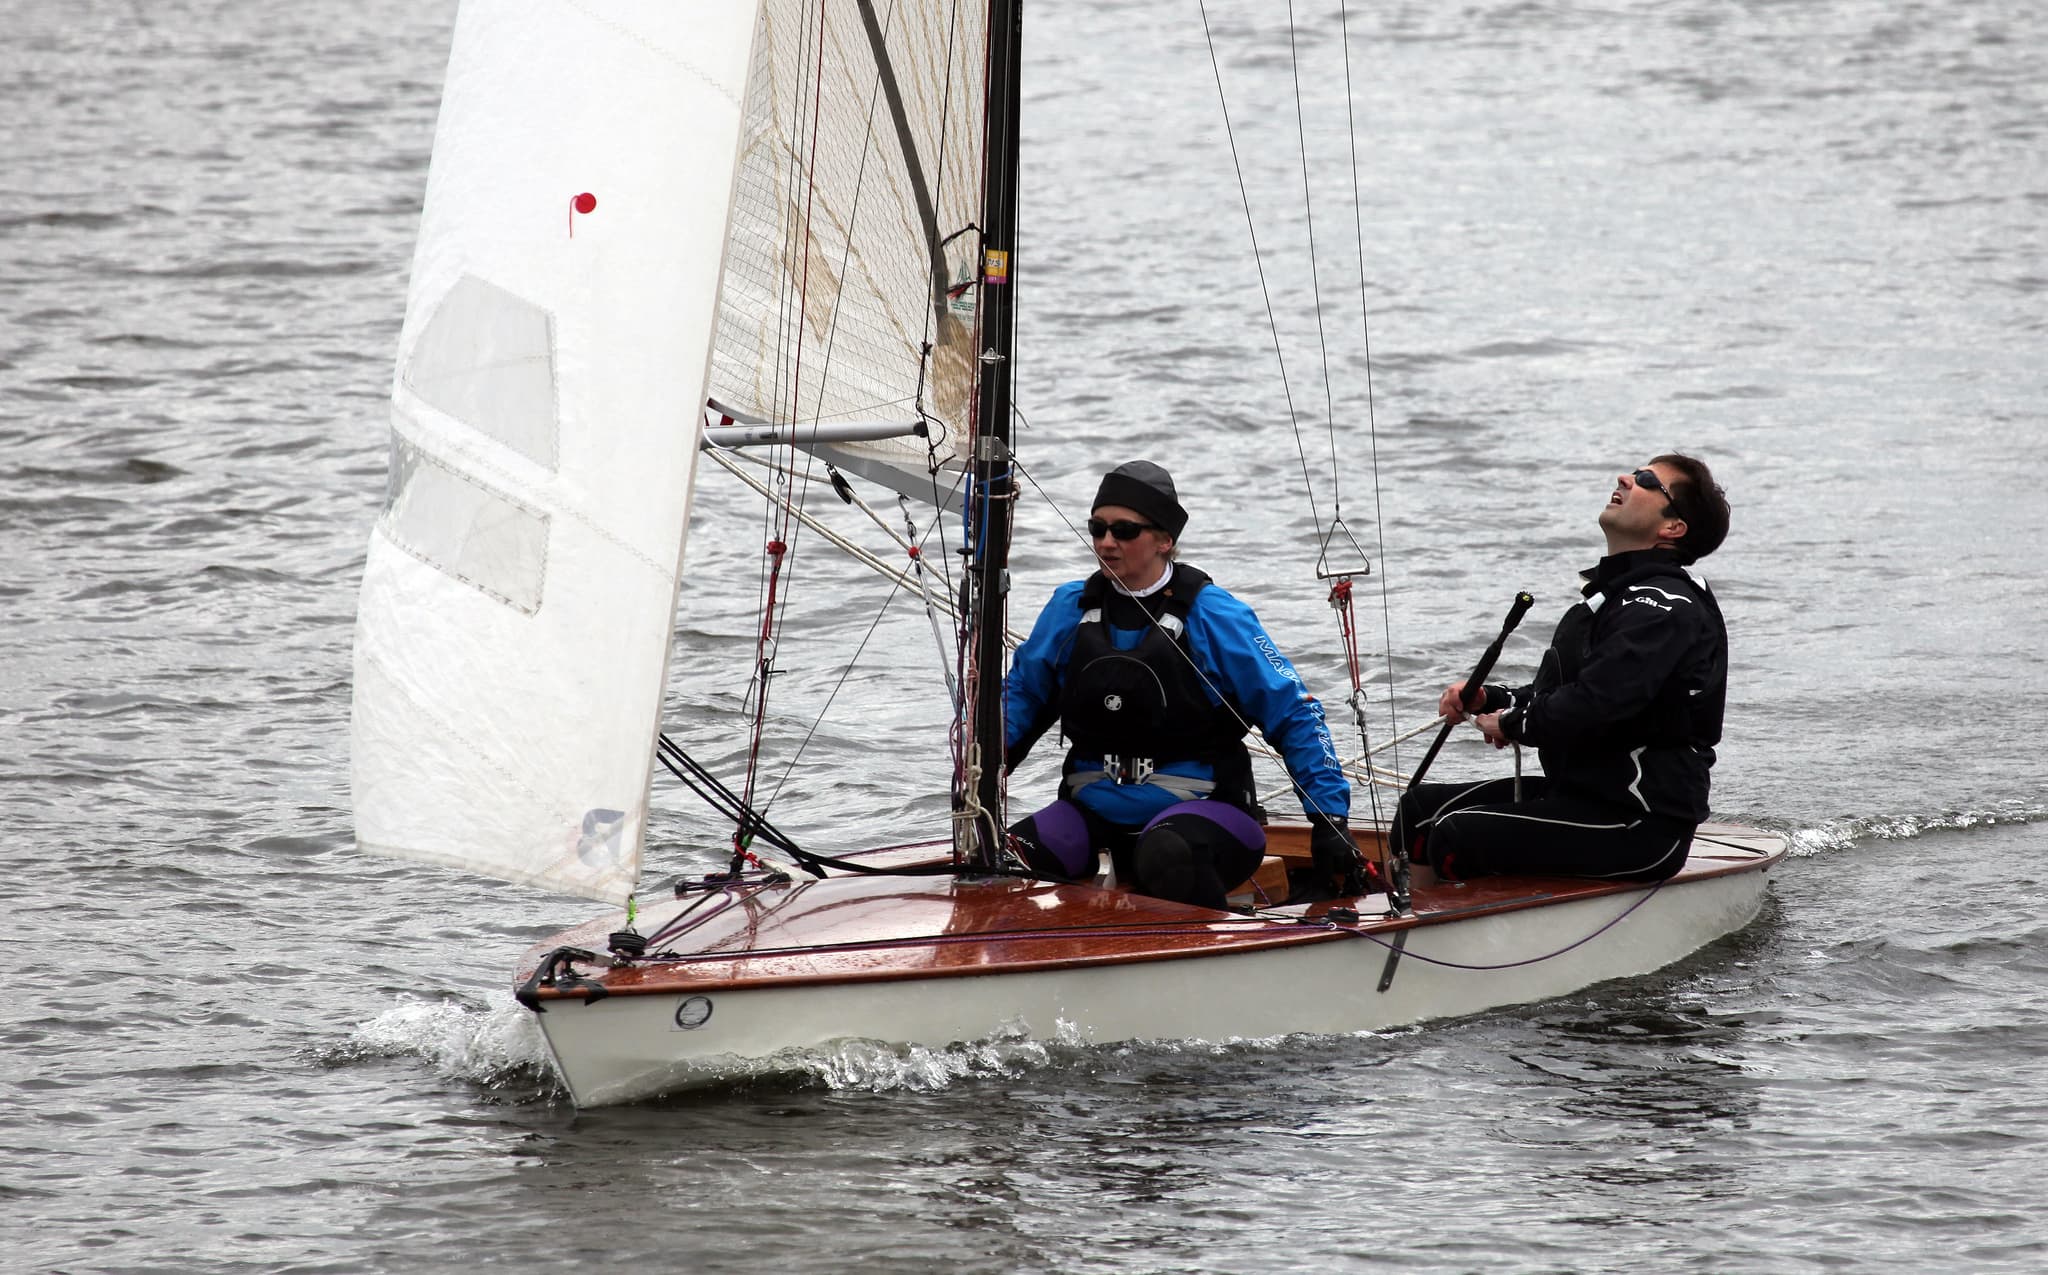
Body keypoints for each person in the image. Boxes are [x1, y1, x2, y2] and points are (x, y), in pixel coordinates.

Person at [1002, 460, 1374, 910]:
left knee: (1166, 855)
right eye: (1097, 527)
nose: (1105, 542)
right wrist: (976, 767)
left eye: (1124, 530)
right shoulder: (1069, 608)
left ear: (1165, 541)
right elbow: (1020, 697)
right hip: (1091, 813)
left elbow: (1296, 713)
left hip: (1206, 816)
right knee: (1004, 862)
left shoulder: (1213, 614)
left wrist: (1329, 819)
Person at [1394, 453, 1731, 882]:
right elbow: (1565, 692)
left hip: (1639, 821)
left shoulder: (1663, 606)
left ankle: (1432, 938)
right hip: (1579, 796)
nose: (1625, 478)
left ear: (1672, 528)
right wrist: (1492, 699)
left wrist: (1514, 724)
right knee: (1418, 811)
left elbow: (1597, 703)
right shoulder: (1613, 598)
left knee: (1455, 833)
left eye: (1646, 480)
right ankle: (1409, 918)